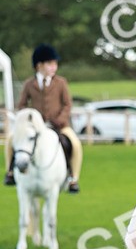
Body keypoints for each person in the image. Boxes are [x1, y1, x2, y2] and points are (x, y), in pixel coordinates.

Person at [6, 44, 82, 191]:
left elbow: (67, 105)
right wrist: (29, 119)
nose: (54, 67)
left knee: (75, 144)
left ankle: (73, 177)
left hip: (59, 124)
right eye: (50, 63)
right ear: (39, 65)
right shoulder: (29, 84)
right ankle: (10, 171)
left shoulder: (61, 82)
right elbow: (21, 105)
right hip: (35, 126)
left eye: (55, 63)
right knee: (10, 139)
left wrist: (60, 119)